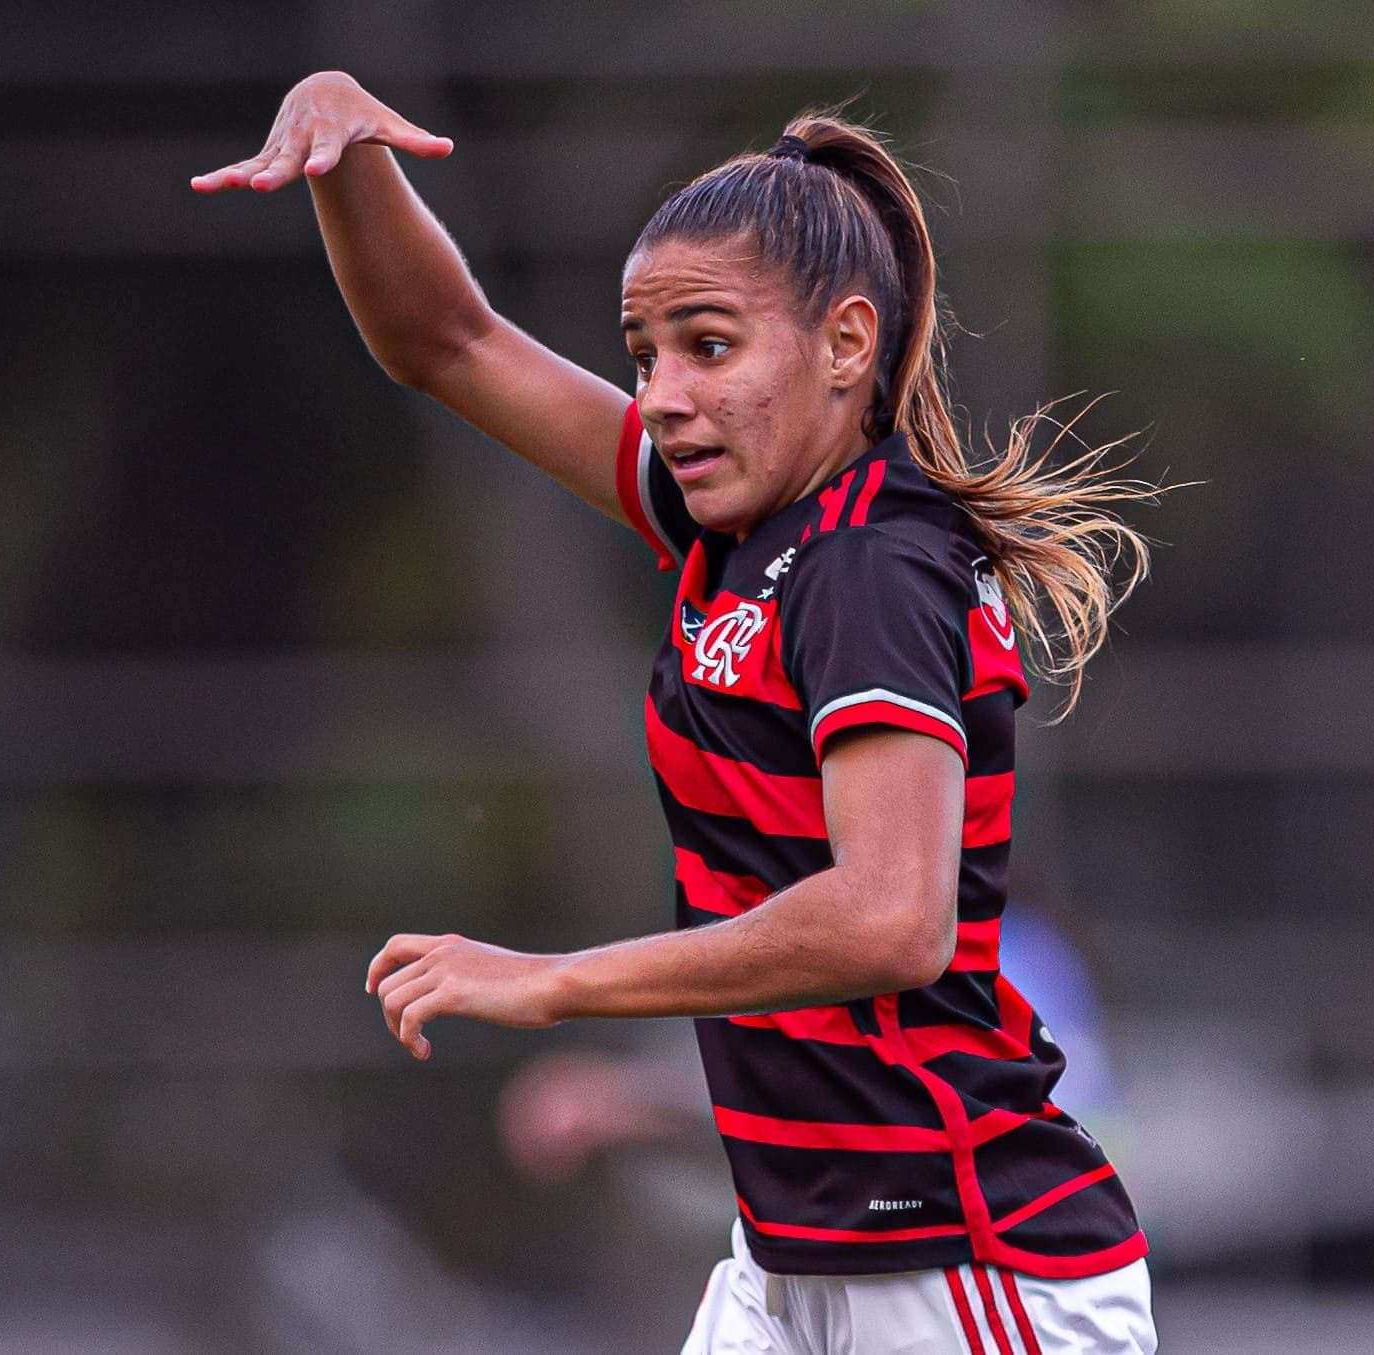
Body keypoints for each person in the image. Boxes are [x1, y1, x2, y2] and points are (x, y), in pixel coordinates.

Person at [194, 71, 1163, 1354]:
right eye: (643, 353)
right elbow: (449, 342)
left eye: (707, 347)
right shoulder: (743, 531)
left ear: (846, 345)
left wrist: (555, 981)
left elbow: (891, 917)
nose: (659, 394)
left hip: (963, 1262)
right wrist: (346, 150)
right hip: (793, 1260)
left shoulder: (868, 566)